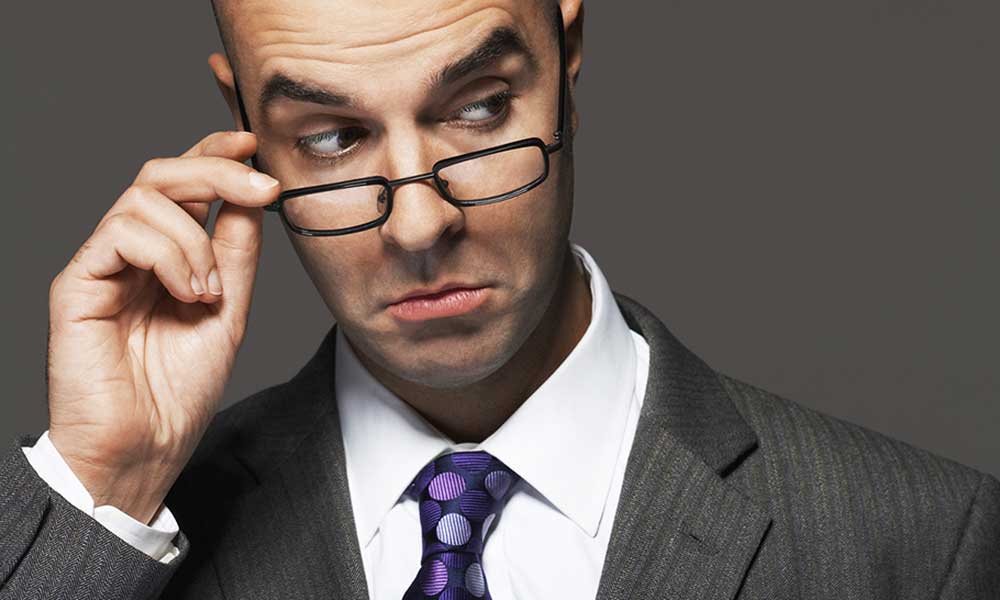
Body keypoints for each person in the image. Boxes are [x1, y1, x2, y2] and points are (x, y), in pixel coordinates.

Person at [1, 0, 997, 598]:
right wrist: (105, 487)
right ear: (244, 123)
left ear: (566, 61)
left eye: (479, 111)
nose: (417, 222)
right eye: (332, 139)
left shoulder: (920, 544)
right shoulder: (130, 529)